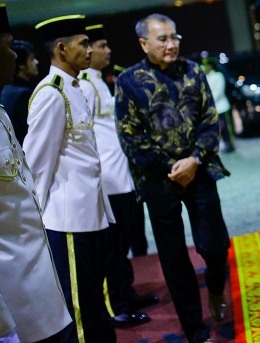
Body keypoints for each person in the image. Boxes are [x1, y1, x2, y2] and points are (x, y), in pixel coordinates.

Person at [115, 14, 230, 343]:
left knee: (215, 244)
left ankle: (217, 288)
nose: (171, 44)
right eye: (162, 39)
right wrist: (173, 167)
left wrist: (193, 161)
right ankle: (196, 330)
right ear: (144, 44)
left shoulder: (193, 72)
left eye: (174, 37)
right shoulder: (128, 81)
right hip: (158, 179)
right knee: (174, 257)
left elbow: (211, 121)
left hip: (201, 167)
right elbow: (130, 139)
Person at [24, 14, 116, 342]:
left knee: (94, 301)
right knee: (78, 311)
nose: (90, 50)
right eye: (83, 44)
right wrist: (34, 225)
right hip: (68, 221)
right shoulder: (51, 94)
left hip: (91, 215)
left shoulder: (76, 87)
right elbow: (36, 167)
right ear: (62, 49)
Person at [0, 3, 72, 343]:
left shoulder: (0, 114)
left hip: (40, 285)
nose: (15, 56)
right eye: (8, 47)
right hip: (14, 305)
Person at [78, 24, 157, 328]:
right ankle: (117, 306)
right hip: (108, 180)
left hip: (120, 177)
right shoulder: (84, 84)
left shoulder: (97, 82)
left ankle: (127, 293)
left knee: (123, 242)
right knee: (113, 249)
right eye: (100, 46)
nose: (106, 51)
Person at [0, 40, 38, 143]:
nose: (36, 62)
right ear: (21, 64)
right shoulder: (23, 94)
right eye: (31, 59)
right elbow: (33, 133)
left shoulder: (7, 89)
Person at [202, 56, 235, 153]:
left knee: (227, 127)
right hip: (212, 108)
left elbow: (219, 91)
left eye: (206, 65)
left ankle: (230, 145)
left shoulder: (218, 75)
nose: (205, 67)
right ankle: (223, 145)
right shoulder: (204, 77)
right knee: (217, 128)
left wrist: (209, 99)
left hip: (221, 107)